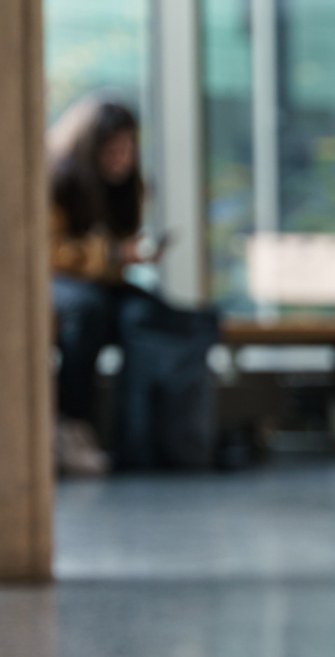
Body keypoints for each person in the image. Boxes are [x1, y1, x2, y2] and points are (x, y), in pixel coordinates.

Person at [48, 96, 220, 475]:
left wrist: (131, 255)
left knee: (147, 311)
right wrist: (110, 253)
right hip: (61, 282)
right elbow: (49, 252)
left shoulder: (130, 187)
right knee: (87, 311)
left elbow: (115, 257)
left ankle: (145, 437)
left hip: (105, 280)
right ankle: (70, 424)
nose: (121, 159)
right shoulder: (59, 181)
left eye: (127, 148)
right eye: (112, 150)